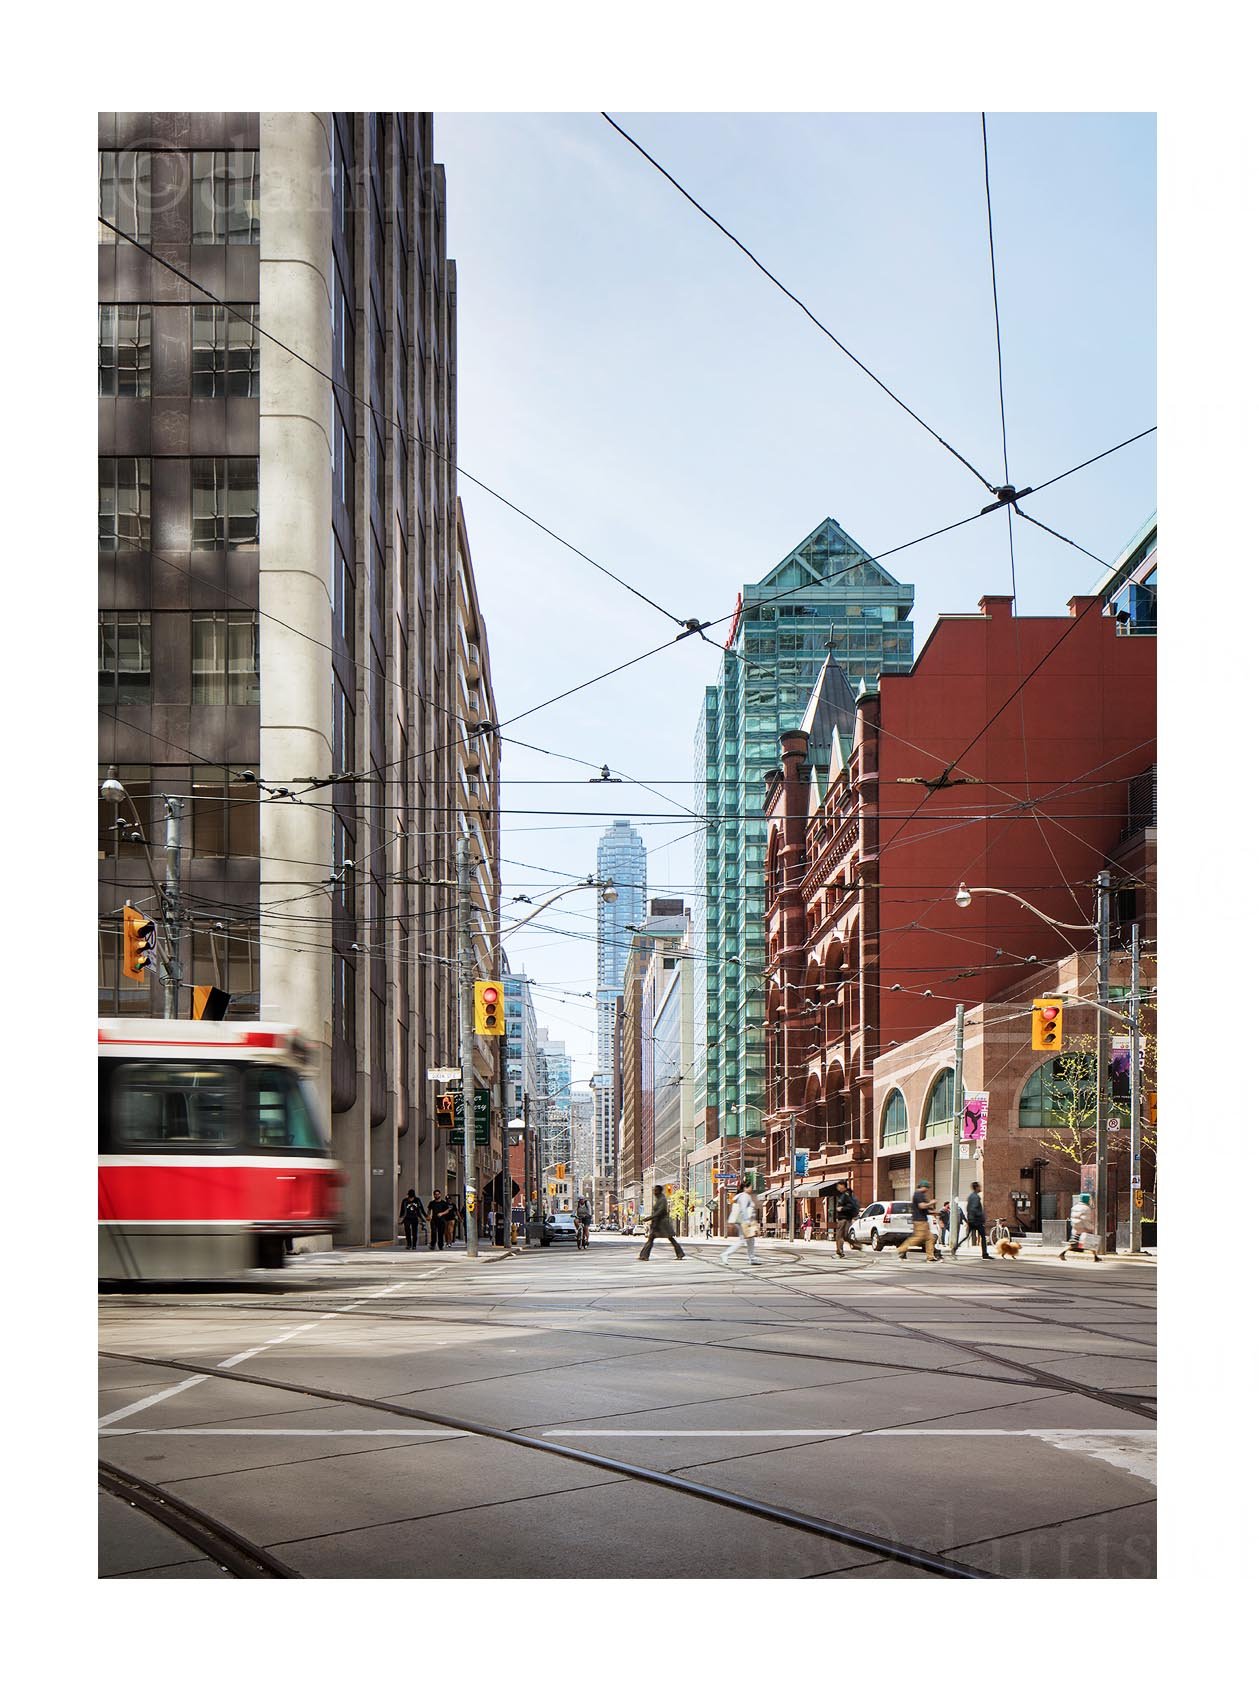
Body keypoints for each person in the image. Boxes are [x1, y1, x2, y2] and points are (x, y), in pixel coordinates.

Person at [896, 1180, 940, 1261]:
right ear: (923, 1187)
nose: (927, 1190)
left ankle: (930, 1257)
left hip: (923, 1220)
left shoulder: (921, 1195)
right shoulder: (918, 1194)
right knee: (918, 1238)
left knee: (930, 1238)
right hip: (920, 1221)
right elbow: (922, 1206)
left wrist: (934, 1212)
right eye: (926, 1188)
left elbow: (924, 1210)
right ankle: (900, 1249)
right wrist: (931, 1202)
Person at [721, 1179, 762, 1266]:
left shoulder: (743, 1196)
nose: (751, 1188)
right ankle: (726, 1254)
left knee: (751, 1240)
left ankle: (752, 1258)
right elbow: (743, 1209)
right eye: (750, 1187)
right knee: (742, 1241)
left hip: (744, 1221)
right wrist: (747, 1221)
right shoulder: (744, 1196)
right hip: (744, 1221)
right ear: (745, 1188)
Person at [639, 1185, 686, 1261]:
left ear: (659, 1191)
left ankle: (680, 1253)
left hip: (662, 1224)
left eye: (656, 1190)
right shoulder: (659, 1199)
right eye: (654, 1190)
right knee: (651, 1239)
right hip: (657, 1223)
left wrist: (649, 1217)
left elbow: (660, 1211)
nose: (654, 1192)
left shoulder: (662, 1199)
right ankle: (644, 1255)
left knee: (670, 1238)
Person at [956, 1181, 990, 1258]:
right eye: (979, 1187)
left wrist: (969, 1219)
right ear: (976, 1187)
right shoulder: (976, 1197)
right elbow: (973, 1209)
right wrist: (980, 1216)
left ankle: (955, 1247)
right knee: (983, 1237)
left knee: (967, 1236)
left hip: (972, 1220)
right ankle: (985, 1254)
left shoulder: (971, 1196)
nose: (980, 1188)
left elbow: (968, 1208)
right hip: (976, 1221)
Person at [835, 1183, 861, 1256]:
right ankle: (857, 1245)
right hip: (844, 1218)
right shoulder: (844, 1195)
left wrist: (842, 1209)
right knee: (845, 1236)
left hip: (844, 1218)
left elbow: (851, 1206)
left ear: (843, 1186)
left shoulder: (846, 1195)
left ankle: (839, 1252)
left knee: (839, 1236)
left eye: (839, 1185)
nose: (838, 1187)